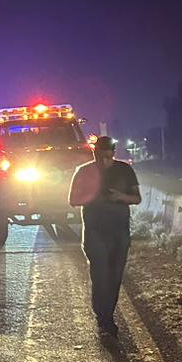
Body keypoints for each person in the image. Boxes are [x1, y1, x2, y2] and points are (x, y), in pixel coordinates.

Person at [68, 136, 142, 337]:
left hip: (119, 233)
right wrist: (93, 196)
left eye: (108, 157)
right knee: (100, 277)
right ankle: (104, 320)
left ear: (113, 154)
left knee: (115, 278)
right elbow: (72, 200)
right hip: (94, 233)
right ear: (94, 153)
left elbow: (137, 198)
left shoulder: (125, 170)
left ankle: (107, 315)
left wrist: (120, 197)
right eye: (100, 157)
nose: (104, 162)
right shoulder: (83, 172)